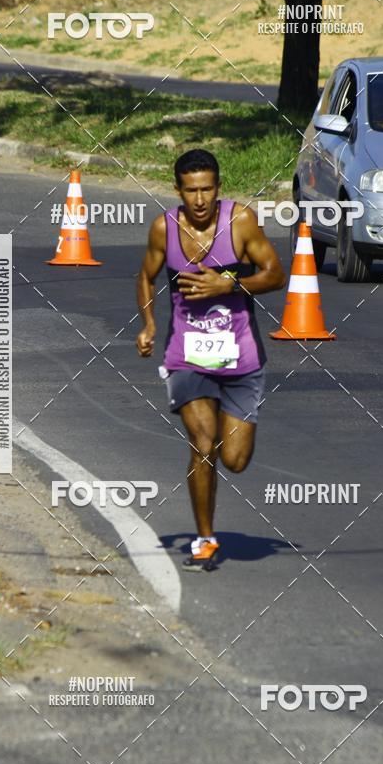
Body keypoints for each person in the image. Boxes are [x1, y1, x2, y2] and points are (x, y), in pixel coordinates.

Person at [136, 148, 286, 571]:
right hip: (187, 357)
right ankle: (204, 539)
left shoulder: (239, 222)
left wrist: (229, 284)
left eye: (206, 190)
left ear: (218, 189)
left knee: (235, 460)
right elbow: (145, 276)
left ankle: (229, 420)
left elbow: (275, 274)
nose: (199, 200)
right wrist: (148, 323)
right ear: (178, 190)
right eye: (190, 191)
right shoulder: (164, 229)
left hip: (241, 359)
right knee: (203, 445)